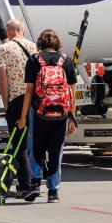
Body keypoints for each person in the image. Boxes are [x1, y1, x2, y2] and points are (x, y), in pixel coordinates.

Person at [18, 29, 78, 203]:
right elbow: (72, 93)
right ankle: (53, 191)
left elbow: (29, 91)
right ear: (57, 43)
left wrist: (23, 117)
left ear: (40, 43)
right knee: (56, 151)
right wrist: (72, 118)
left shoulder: (34, 60)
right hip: (60, 115)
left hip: (38, 113)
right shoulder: (66, 61)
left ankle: (35, 184)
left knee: (35, 148)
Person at [0, 19, 38, 200]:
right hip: (35, 98)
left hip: (17, 99)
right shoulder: (33, 47)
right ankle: (35, 182)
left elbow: (2, 78)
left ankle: (26, 186)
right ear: (22, 31)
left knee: (19, 145)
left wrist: (6, 103)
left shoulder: (4, 48)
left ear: (8, 31)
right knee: (33, 143)